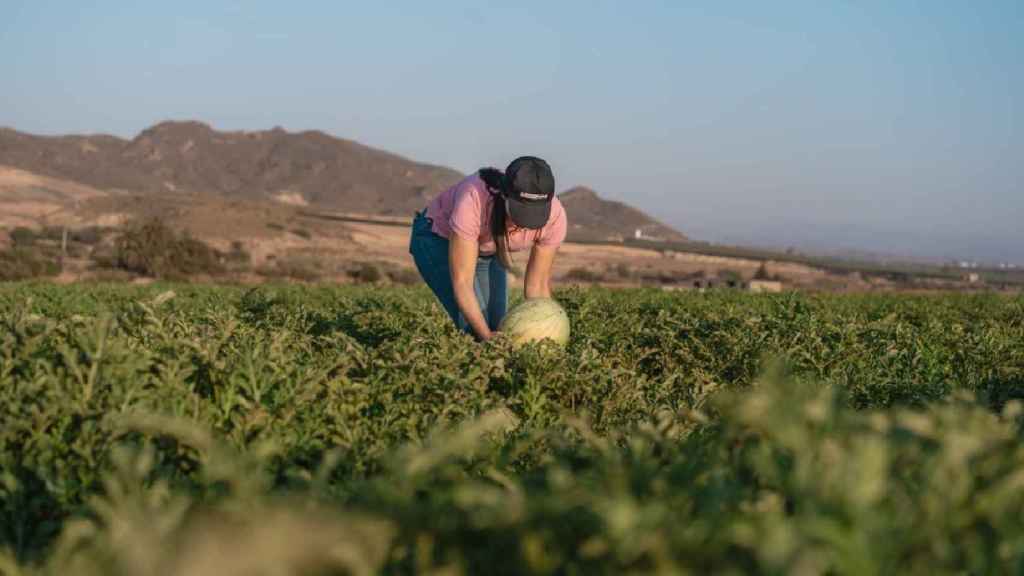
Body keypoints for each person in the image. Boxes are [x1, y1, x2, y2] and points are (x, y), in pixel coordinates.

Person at [409, 156, 568, 341]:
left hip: (488, 251)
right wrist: (486, 336)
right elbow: (463, 283)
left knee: (500, 326)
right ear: (504, 194)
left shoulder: (555, 217)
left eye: (535, 213)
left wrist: (550, 334)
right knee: (476, 332)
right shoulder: (473, 198)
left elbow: (537, 287)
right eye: (522, 211)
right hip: (437, 239)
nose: (526, 224)